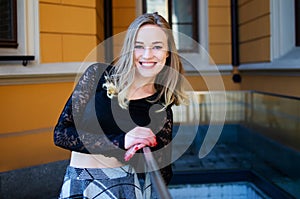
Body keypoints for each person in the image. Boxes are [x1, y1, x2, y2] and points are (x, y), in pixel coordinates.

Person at [54, 12, 188, 199]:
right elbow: (61, 134)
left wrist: (148, 148)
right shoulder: (97, 75)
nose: (147, 55)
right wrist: (121, 141)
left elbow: (162, 173)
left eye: (157, 47)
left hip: (127, 188)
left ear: (168, 53)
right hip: (80, 182)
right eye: (139, 46)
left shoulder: (161, 108)